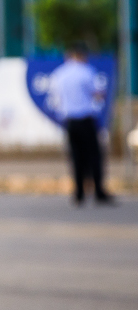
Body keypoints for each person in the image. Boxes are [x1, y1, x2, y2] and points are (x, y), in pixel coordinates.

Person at [47, 44, 112, 205]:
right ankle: (98, 191)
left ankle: (79, 193)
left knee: (76, 157)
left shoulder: (60, 74)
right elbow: (97, 94)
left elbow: (55, 99)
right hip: (86, 118)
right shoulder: (86, 71)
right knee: (94, 156)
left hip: (69, 121)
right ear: (81, 55)